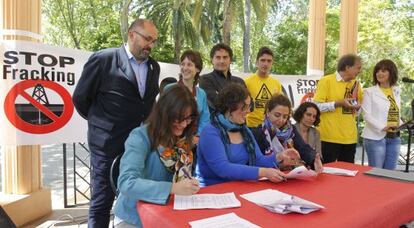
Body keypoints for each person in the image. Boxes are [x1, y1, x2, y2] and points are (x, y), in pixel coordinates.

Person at [72, 19, 160, 227]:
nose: (151, 45)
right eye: (148, 39)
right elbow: (80, 98)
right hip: (107, 145)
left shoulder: (153, 67)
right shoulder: (103, 59)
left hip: (139, 145)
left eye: (154, 41)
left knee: (134, 196)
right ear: (131, 34)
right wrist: (102, 124)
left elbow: (146, 104)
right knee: (102, 202)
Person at [113, 85, 200, 227]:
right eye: (178, 118)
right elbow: (126, 183)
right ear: (164, 114)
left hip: (170, 213)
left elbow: (182, 175)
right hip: (135, 217)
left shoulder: (182, 140)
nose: (184, 124)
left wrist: (189, 184)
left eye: (188, 118)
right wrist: (173, 188)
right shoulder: (140, 137)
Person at [196, 83, 300, 186]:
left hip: (238, 188)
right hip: (212, 191)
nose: (248, 111)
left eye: (249, 106)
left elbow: (258, 160)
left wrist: (280, 157)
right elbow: (223, 168)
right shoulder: (210, 132)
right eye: (244, 107)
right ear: (230, 107)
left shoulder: (244, 130)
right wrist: (264, 172)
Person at [251, 95, 323, 172]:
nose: (281, 120)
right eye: (277, 115)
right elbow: (256, 161)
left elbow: (303, 148)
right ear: (268, 112)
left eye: (285, 117)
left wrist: (314, 158)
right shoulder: (258, 133)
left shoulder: (291, 130)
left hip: (289, 174)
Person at [312, 54, 363, 163]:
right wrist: (337, 103)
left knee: (347, 175)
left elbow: (358, 112)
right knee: (326, 174)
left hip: (350, 138)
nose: (360, 71)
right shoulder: (326, 81)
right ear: (347, 67)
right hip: (328, 137)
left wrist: (358, 107)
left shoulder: (356, 85)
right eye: (358, 67)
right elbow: (316, 107)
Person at [361, 59, 401, 170]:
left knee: (390, 173)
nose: (379, 73)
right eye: (377, 71)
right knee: (377, 173)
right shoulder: (369, 92)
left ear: (391, 72)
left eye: (383, 71)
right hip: (375, 138)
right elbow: (367, 115)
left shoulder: (397, 91)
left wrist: (403, 124)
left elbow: (395, 112)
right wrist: (383, 127)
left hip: (394, 137)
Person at [166, 50, 210, 137]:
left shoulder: (201, 94)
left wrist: (197, 136)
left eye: (189, 64)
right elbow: (161, 115)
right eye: (183, 64)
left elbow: (205, 120)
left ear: (197, 69)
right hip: (169, 137)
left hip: (193, 140)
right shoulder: (169, 89)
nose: (185, 68)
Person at [199, 43, 246, 112]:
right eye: (218, 57)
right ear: (212, 60)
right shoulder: (205, 79)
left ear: (230, 60)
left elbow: (250, 105)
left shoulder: (239, 81)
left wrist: (221, 96)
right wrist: (239, 101)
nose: (221, 61)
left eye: (225, 57)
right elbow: (216, 103)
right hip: (215, 122)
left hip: (240, 122)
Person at [245, 47, 282, 128]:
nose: (265, 64)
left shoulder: (276, 83)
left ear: (272, 63)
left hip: (270, 127)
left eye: (269, 61)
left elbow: (279, 107)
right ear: (257, 62)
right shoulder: (247, 82)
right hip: (251, 126)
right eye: (262, 60)